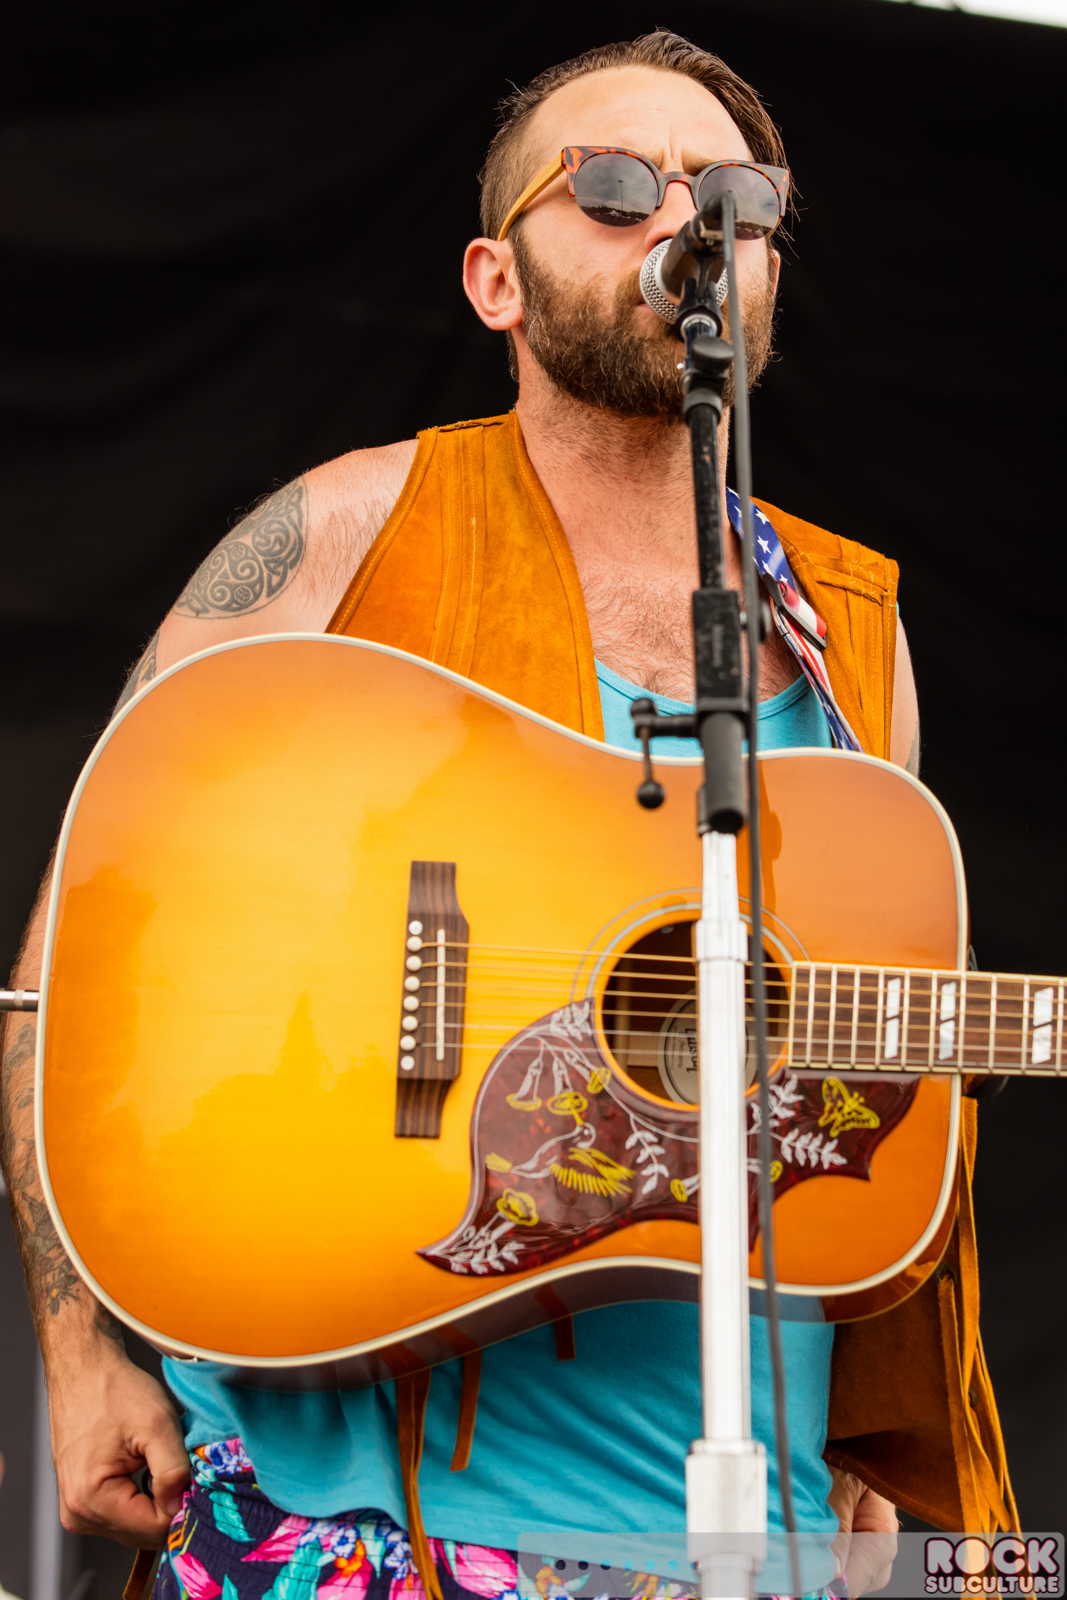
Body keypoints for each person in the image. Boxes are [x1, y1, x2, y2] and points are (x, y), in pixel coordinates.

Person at [0, 29, 1016, 1600]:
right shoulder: (346, 530)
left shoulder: (849, 638)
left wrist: (872, 1437)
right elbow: (74, 952)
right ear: (495, 281)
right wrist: (77, 1352)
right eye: (613, 188)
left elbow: (853, 1088)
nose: (685, 222)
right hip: (357, 1523)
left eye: (736, 198)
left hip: (738, 1533)